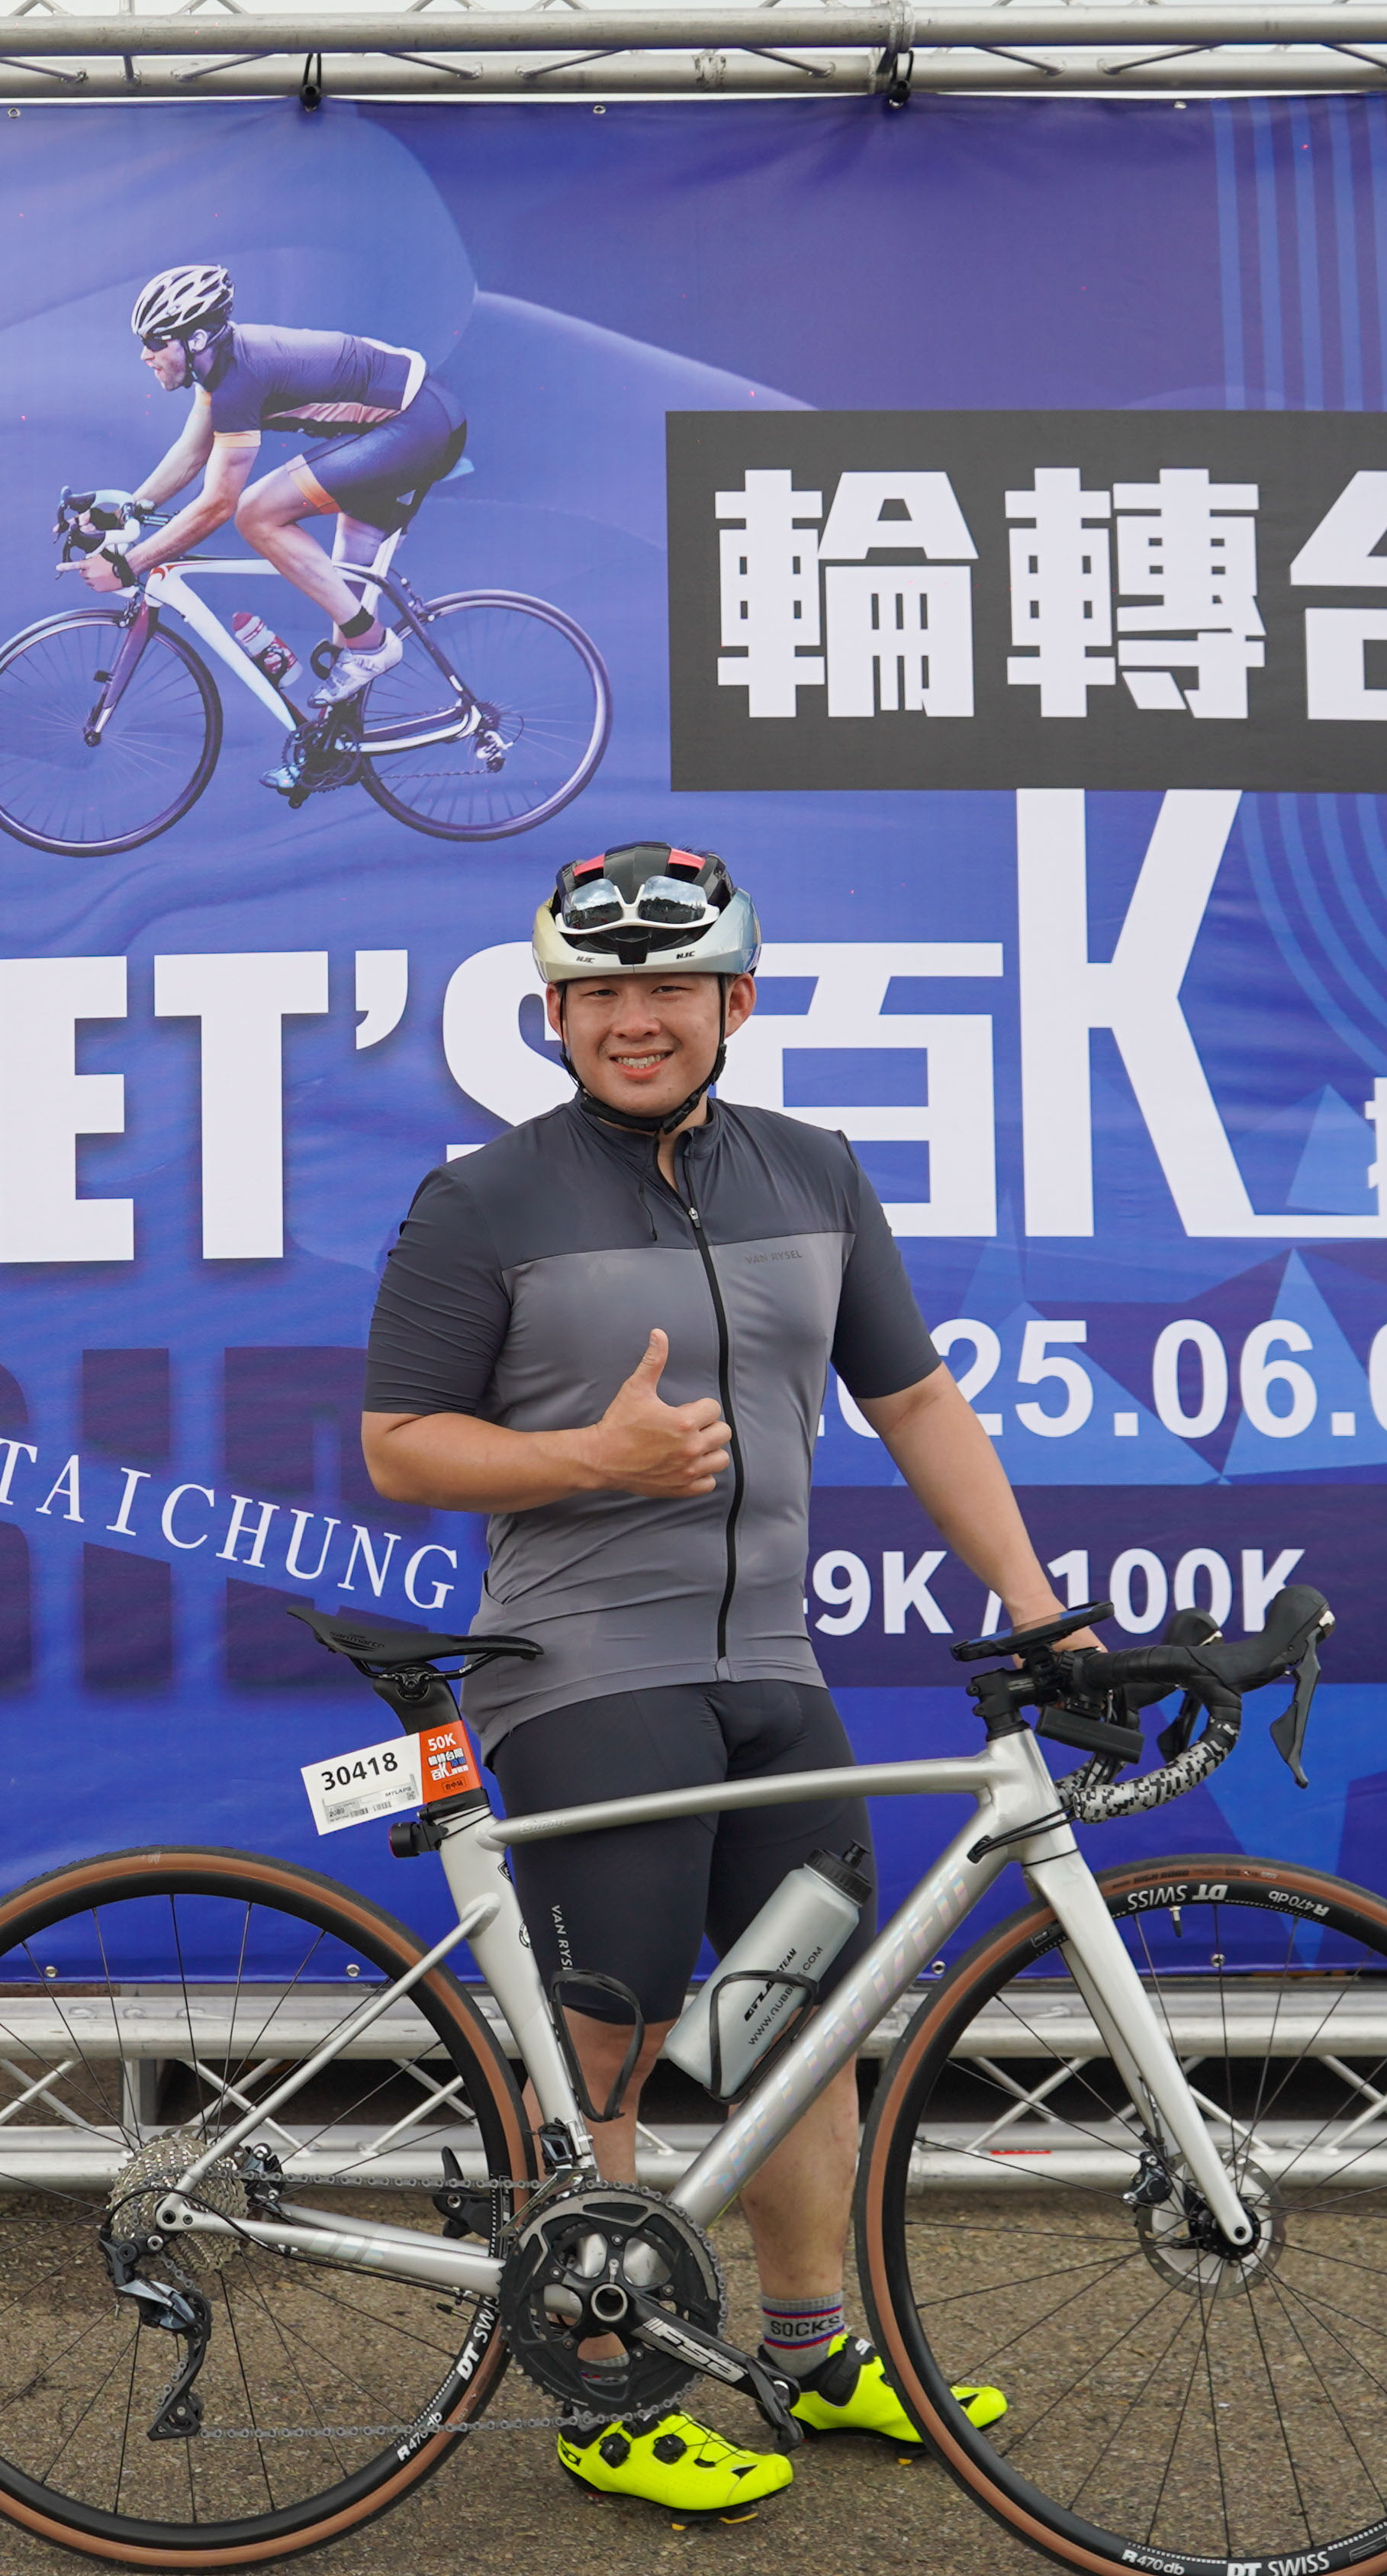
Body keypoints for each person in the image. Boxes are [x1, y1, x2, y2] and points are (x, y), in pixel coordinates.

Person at [357, 841, 1063, 2523]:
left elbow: (919, 1403)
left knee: (806, 2013)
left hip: (771, 1666)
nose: (635, 1018)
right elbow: (398, 1445)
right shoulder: (483, 1199)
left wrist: (1041, 1611)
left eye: (670, 985)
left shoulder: (818, 1173)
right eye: (598, 992)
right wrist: (588, 1456)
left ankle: (810, 2348)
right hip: (585, 1667)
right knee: (617, 2025)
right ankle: (603, 2383)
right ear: (553, 1016)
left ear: (736, 999)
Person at [79, 263, 467, 719]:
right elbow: (191, 453)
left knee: (256, 512)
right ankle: (339, 734)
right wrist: (122, 514)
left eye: (156, 341)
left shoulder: (239, 380)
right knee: (343, 606)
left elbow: (217, 506)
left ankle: (372, 644)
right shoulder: (220, 368)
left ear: (196, 339)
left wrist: (130, 564)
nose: (146, 355)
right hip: (413, 421)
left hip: (417, 428)